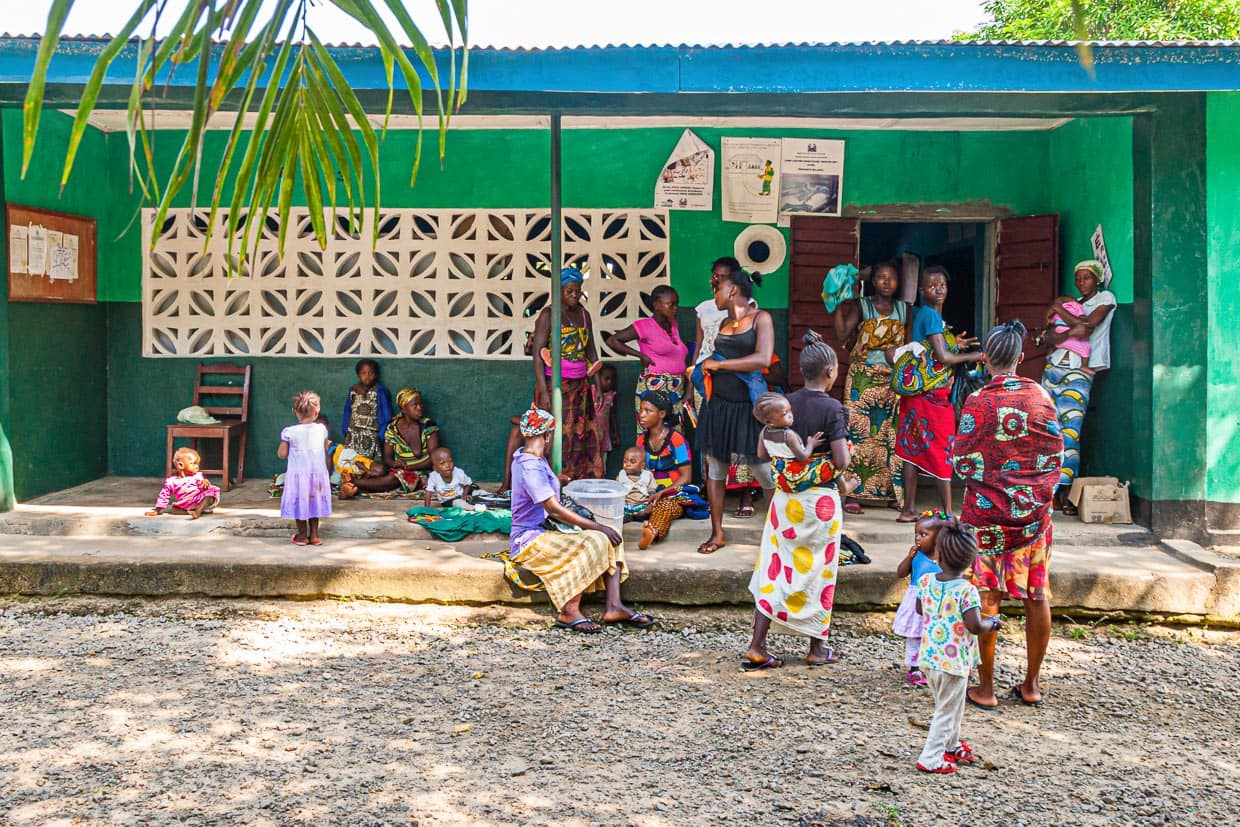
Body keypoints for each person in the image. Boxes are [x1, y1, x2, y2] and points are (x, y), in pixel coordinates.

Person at [952, 320, 1063, 710]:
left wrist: (990, 489)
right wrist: (1033, 497)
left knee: (987, 596)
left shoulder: (978, 402)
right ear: (1019, 357)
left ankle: (985, 688)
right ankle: (1031, 684)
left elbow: (962, 462)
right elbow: (1056, 456)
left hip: (985, 519)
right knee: (1037, 596)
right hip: (1034, 520)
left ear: (984, 359)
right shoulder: (1041, 398)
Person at [743, 331, 852, 670]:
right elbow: (842, 461)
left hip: (784, 501)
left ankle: (758, 644)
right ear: (831, 371)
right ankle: (817, 648)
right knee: (820, 569)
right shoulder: (833, 409)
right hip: (820, 502)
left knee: (774, 567)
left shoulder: (781, 406)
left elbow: (763, 453)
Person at [508, 405, 654, 633]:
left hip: (545, 529)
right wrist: (596, 526)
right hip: (530, 539)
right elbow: (554, 510)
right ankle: (569, 611)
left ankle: (614, 605)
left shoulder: (529, 459)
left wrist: (558, 481)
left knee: (613, 535)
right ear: (547, 435)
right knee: (596, 538)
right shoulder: (530, 466)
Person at [893, 266, 983, 521]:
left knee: (911, 450)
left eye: (942, 285)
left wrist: (956, 342)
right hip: (933, 397)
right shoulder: (931, 316)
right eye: (932, 286)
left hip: (915, 397)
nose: (939, 289)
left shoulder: (921, 315)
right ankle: (947, 512)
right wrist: (975, 355)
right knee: (943, 449)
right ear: (922, 291)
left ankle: (908, 509)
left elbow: (930, 349)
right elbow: (942, 357)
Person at [696, 268, 774, 555]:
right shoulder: (726, 321)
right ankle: (717, 533)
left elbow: (763, 358)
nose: (714, 294)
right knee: (715, 469)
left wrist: (720, 366)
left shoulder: (761, 318)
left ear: (731, 291)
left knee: (763, 471)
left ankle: (776, 532)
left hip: (747, 408)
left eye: (717, 289)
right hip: (718, 407)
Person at [913, 518, 1001, 774]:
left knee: (952, 703)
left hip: (929, 658)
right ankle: (931, 757)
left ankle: (951, 744)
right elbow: (974, 626)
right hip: (952, 662)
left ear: (938, 553)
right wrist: (992, 623)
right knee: (946, 709)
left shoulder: (928, 581)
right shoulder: (967, 590)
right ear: (972, 560)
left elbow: (920, 608)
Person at [1039, 259, 1117, 515]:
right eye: (1078, 279)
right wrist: (1071, 327)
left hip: (1078, 372)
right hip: (1053, 369)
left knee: (1071, 433)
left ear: (1097, 279)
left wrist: (1060, 310)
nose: (1081, 283)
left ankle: (1066, 492)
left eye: (1086, 278)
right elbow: (1050, 337)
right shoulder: (1075, 304)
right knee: (1047, 430)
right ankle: (1049, 494)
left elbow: (1086, 330)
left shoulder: (1105, 298)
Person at [833, 260, 909, 514]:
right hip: (862, 379)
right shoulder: (862, 306)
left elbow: (909, 347)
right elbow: (843, 335)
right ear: (873, 281)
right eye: (881, 277)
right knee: (858, 434)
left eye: (892, 278)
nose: (886, 282)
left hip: (892, 379)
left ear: (898, 282)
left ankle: (890, 493)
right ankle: (853, 492)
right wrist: (835, 307)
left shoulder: (905, 309)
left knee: (890, 435)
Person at [531, 267, 604, 480]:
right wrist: (544, 391)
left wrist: (597, 384)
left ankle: (576, 478)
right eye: (569, 291)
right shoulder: (549, 314)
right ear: (559, 290)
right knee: (555, 434)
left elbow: (591, 350)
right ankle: (552, 479)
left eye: (577, 291)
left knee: (579, 433)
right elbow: (537, 355)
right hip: (555, 384)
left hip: (580, 386)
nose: (574, 295)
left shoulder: (583, 314)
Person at [606, 285, 690, 431]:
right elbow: (613, 340)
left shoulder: (673, 325)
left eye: (677, 304)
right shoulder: (644, 326)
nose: (675, 308)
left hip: (676, 389)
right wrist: (640, 355)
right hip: (653, 388)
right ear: (656, 305)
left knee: (674, 433)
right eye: (671, 304)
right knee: (651, 433)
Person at [633, 390, 696, 550]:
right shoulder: (641, 441)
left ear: (661, 414)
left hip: (674, 493)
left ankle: (652, 532)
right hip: (649, 493)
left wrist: (662, 492)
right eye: (641, 410)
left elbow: (686, 476)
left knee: (665, 506)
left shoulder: (676, 440)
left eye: (648, 411)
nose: (642, 415)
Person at [892, 511, 946, 687]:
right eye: (916, 534)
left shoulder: (943, 560)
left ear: (939, 538)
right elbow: (901, 573)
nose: (918, 538)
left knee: (935, 634)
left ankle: (934, 664)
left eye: (923, 535)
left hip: (936, 602)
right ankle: (914, 668)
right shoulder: (916, 556)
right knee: (915, 635)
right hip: (916, 602)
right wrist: (910, 557)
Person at [279, 390, 331, 546]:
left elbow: (282, 454)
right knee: (314, 503)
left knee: (300, 503)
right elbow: (325, 448)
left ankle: (302, 536)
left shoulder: (289, 432)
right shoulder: (321, 429)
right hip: (317, 476)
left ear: (294, 411)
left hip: (299, 476)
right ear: (317, 412)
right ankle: (314, 536)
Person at [341, 358, 394, 461]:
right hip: (353, 432)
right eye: (364, 373)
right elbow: (347, 410)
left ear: (376, 375)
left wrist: (381, 433)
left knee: (370, 460)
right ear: (358, 375)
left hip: (372, 433)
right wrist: (345, 429)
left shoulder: (380, 391)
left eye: (371, 373)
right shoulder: (353, 390)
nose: (367, 376)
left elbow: (386, 414)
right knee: (352, 459)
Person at [145, 447, 220, 519]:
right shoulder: (171, 481)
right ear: (181, 465)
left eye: (198, 464)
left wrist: (205, 482)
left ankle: (198, 512)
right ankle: (193, 511)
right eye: (193, 464)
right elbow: (164, 495)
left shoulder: (197, 476)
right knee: (173, 510)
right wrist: (157, 510)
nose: (197, 466)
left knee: (210, 495)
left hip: (198, 500)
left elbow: (203, 487)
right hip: (185, 504)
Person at [593, 363, 620, 467]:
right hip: (591, 435)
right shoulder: (592, 391)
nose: (610, 382)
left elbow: (612, 415)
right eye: (607, 379)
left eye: (613, 380)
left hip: (604, 436)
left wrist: (615, 433)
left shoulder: (611, 396)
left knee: (602, 463)